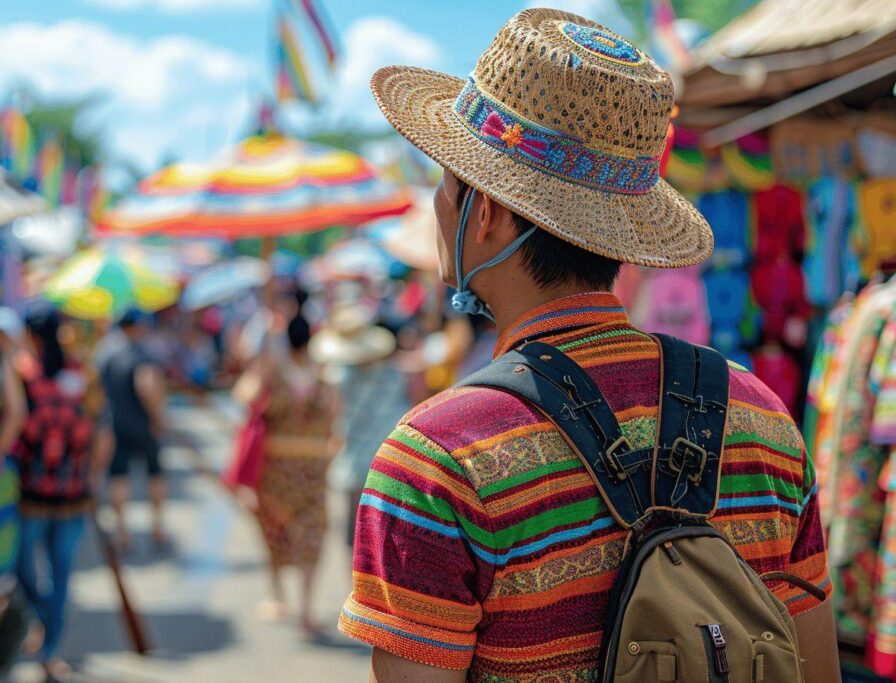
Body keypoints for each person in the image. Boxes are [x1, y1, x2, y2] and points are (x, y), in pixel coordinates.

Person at [337, 9, 840, 683]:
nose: (436, 204)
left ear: (484, 212)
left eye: (447, 181)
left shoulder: (437, 461)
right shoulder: (763, 419)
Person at [235, 299, 337, 635]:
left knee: (273, 528)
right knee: (312, 535)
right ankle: (307, 607)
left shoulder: (272, 374)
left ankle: (278, 597)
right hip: (312, 467)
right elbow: (335, 415)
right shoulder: (323, 376)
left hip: (276, 466)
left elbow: (244, 398)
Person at [12, 305, 96, 682]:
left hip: (36, 493)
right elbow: (100, 431)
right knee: (56, 575)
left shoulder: (24, 376)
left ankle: (48, 635)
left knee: (26, 569)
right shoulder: (78, 376)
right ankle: (50, 636)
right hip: (70, 493)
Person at [311, 306, 409, 545]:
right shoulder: (393, 374)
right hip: (388, 456)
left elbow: (328, 412)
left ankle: (354, 580)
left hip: (354, 457)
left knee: (354, 535)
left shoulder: (337, 376)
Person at [99, 309, 168, 552]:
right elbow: (147, 385)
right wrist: (158, 417)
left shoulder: (106, 353)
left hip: (116, 425)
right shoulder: (141, 354)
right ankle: (157, 527)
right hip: (143, 425)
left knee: (119, 477)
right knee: (154, 474)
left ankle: (121, 531)